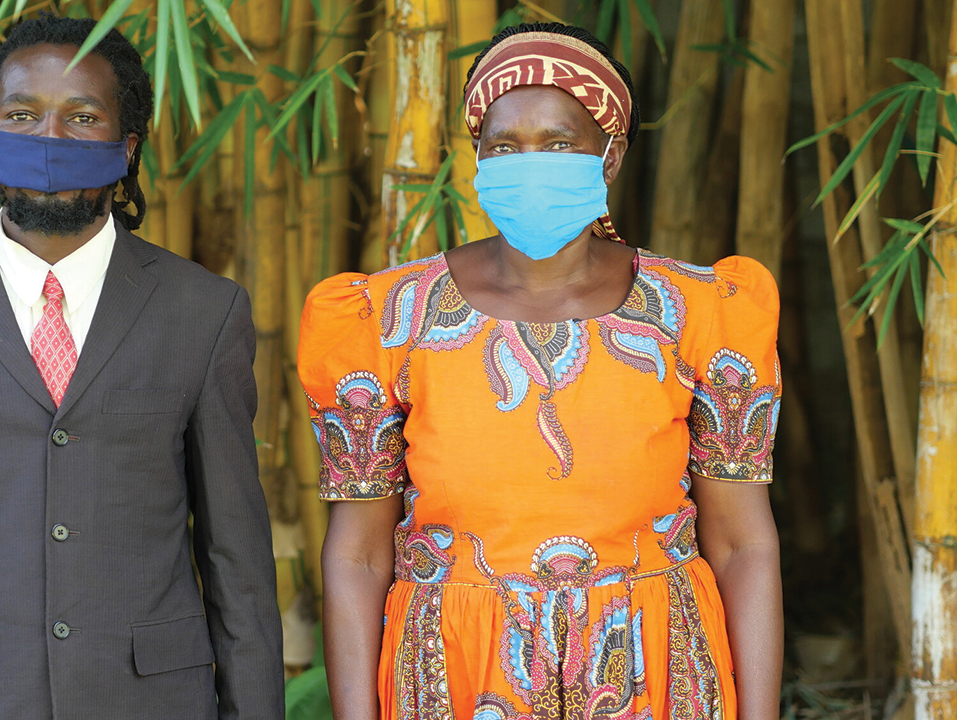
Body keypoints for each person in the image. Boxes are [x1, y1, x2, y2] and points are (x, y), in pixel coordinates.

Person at [299, 22, 782, 720]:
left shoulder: (702, 313)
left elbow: (743, 543)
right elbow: (358, 557)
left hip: (660, 672)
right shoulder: (384, 319)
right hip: (451, 673)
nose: (530, 163)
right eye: (504, 146)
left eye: (558, 143)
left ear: (609, 156)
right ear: (478, 160)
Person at [0, 15, 283, 720]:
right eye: (23, 116)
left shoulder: (204, 314)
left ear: (127, 149)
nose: (50, 141)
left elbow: (236, 562)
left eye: (83, 116)